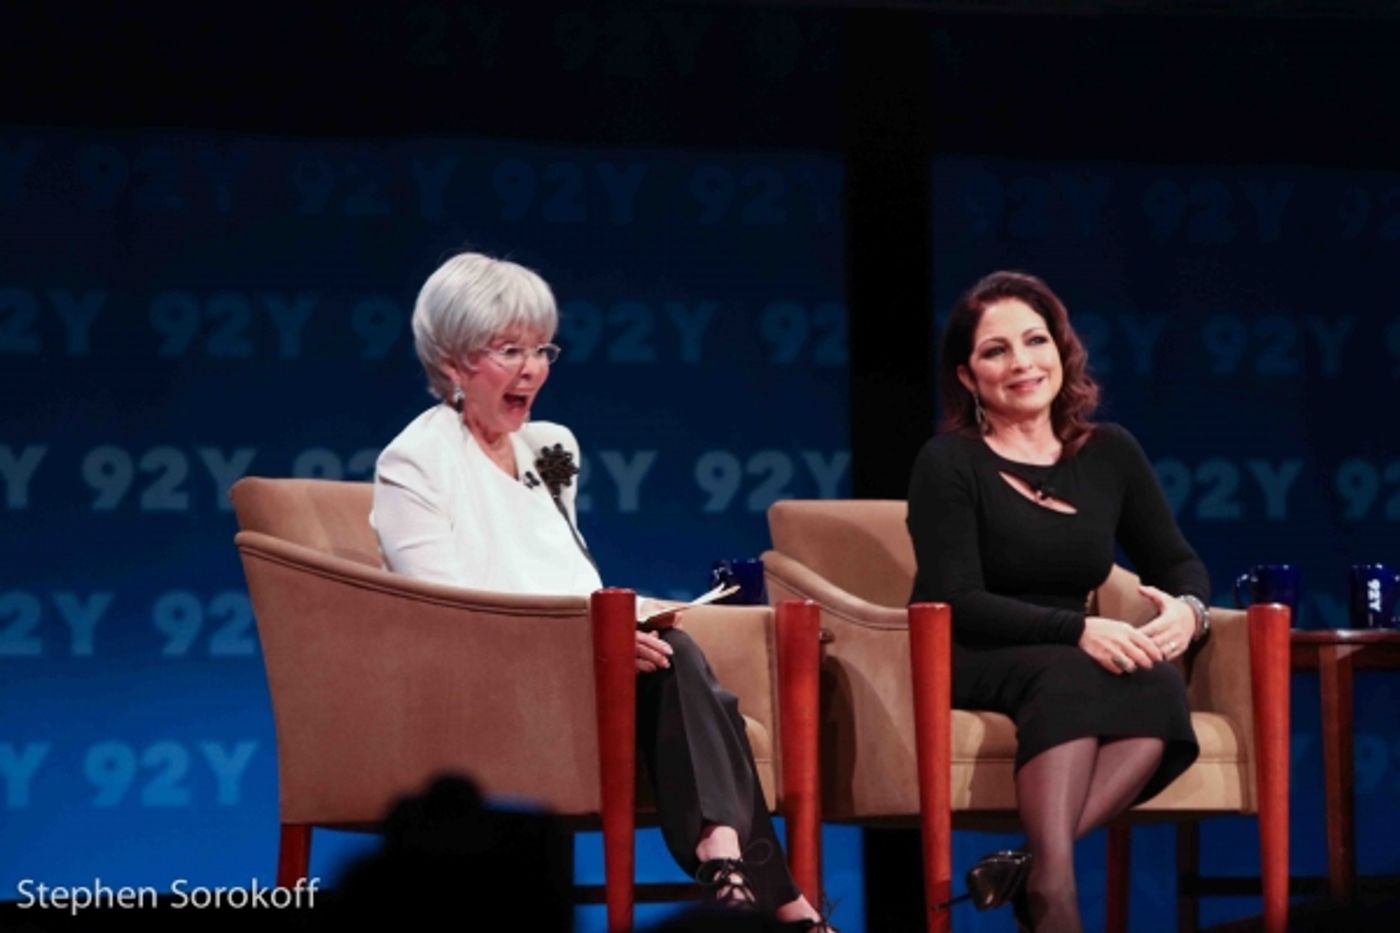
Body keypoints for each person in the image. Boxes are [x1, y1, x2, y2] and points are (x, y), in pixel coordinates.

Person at [371, 251, 831, 930]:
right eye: (509, 350)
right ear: (451, 361)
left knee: (672, 653)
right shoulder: (415, 461)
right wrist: (588, 640)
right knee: (698, 686)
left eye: (542, 348)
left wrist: (625, 623)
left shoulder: (551, 447)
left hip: (583, 668)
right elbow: (451, 613)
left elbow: (562, 573)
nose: (533, 368)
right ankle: (775, 891)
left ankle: (729, 862)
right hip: (486, 683)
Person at [906, 270, 1208, 932]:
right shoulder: (948, 462)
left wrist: (1189, 609)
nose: (1022, 363)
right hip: (969, 645)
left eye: (1035, 340)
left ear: (1061, 350)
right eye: (996, 350)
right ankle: (1058, 897)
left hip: (1066, 648)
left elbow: (1178, 559)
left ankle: (1033, 867)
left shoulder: (1110, 452)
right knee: (1072, 666)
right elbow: (957, 596)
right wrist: (1079, 630)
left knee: (1156, 679)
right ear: (966, 375)